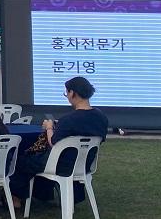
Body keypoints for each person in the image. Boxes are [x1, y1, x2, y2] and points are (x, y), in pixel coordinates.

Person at [9, 76, 108, 208]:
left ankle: (16, 198)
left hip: (60, 164)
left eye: (66, 93)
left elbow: (53, 142)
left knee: (20, 161)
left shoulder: (68, 120)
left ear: (72, 93)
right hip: (84, 164)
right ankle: (40, 195)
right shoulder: (101, 117)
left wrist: (49, 127)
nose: (67, 96)